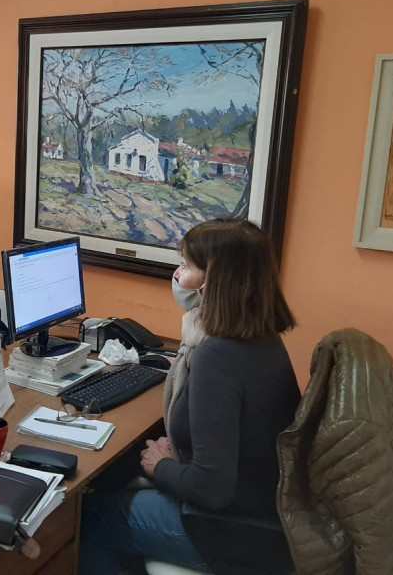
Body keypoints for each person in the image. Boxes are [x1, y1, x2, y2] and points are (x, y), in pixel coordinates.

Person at [79, 218, 302, 574]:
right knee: (109, 484)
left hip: (235, 532)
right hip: (268, 514)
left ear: (214, 281)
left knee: (86, 519)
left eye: (186, 266)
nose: (178, 276)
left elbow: (212, 488)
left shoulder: (218, 356)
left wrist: (162, 466)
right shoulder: (261, 338)